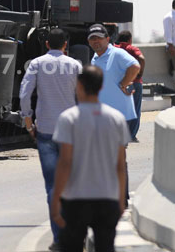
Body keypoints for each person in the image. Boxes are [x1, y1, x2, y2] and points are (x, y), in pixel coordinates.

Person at [50, 65, 129, 252]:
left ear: (78, 85)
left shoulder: (68, 118)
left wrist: (55, 199)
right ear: (101, 87)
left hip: (76, 199)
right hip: (107, 198)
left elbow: (65, 163)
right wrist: (120, 201)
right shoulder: (116, 118)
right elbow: (120, 165)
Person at [20, 28, 83, 251]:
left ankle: (59, 239)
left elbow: (25, 93)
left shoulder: (36, 64)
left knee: (52, 187)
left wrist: (29, 124)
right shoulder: (75, 65)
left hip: (45, 131)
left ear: (46, 44)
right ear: (65, 44)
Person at [87, 24, 140, 122]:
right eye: (92, 38)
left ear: (107, 39)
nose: (96, 41)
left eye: (99, 38)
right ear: (88, 42)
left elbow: (135, 66)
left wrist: (123, 84)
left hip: (119, 115)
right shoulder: (94, 58)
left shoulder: (116, 53)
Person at [114, 30, 145, 141]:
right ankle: (131, 135)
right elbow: (141, 58)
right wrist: (140, 73)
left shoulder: (115, 48)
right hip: (134, 82)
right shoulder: (131, 48)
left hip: (120, 83)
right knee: (135, 109)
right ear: (130, 40)